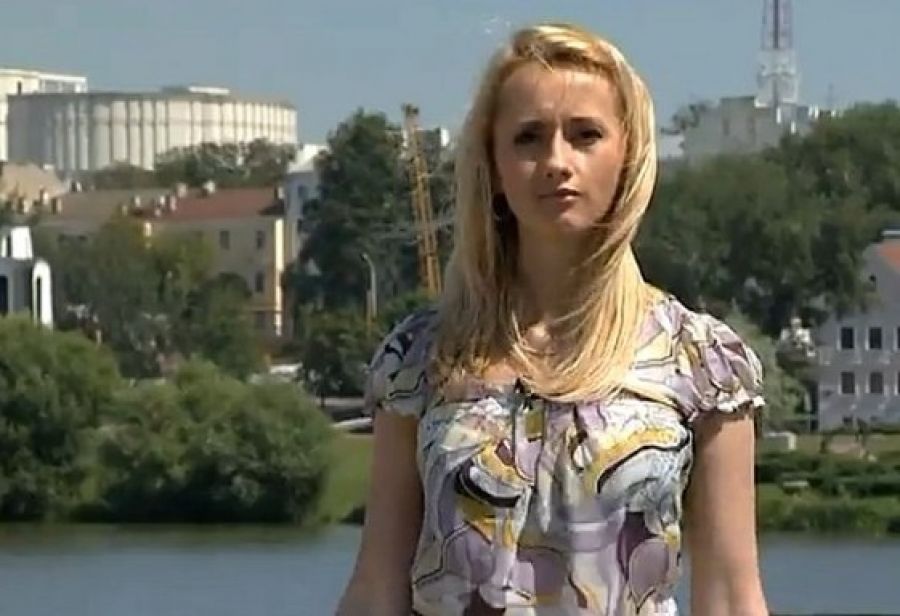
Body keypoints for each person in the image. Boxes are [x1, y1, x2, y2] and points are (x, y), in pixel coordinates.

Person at [337, 22, 769, 616]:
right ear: (493, 165)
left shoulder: (702, 363)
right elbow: (376, 589)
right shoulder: (419, 359)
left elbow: (730, 597)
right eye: (529, 138)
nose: (556, 162)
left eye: (585, 135)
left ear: (628, 155)